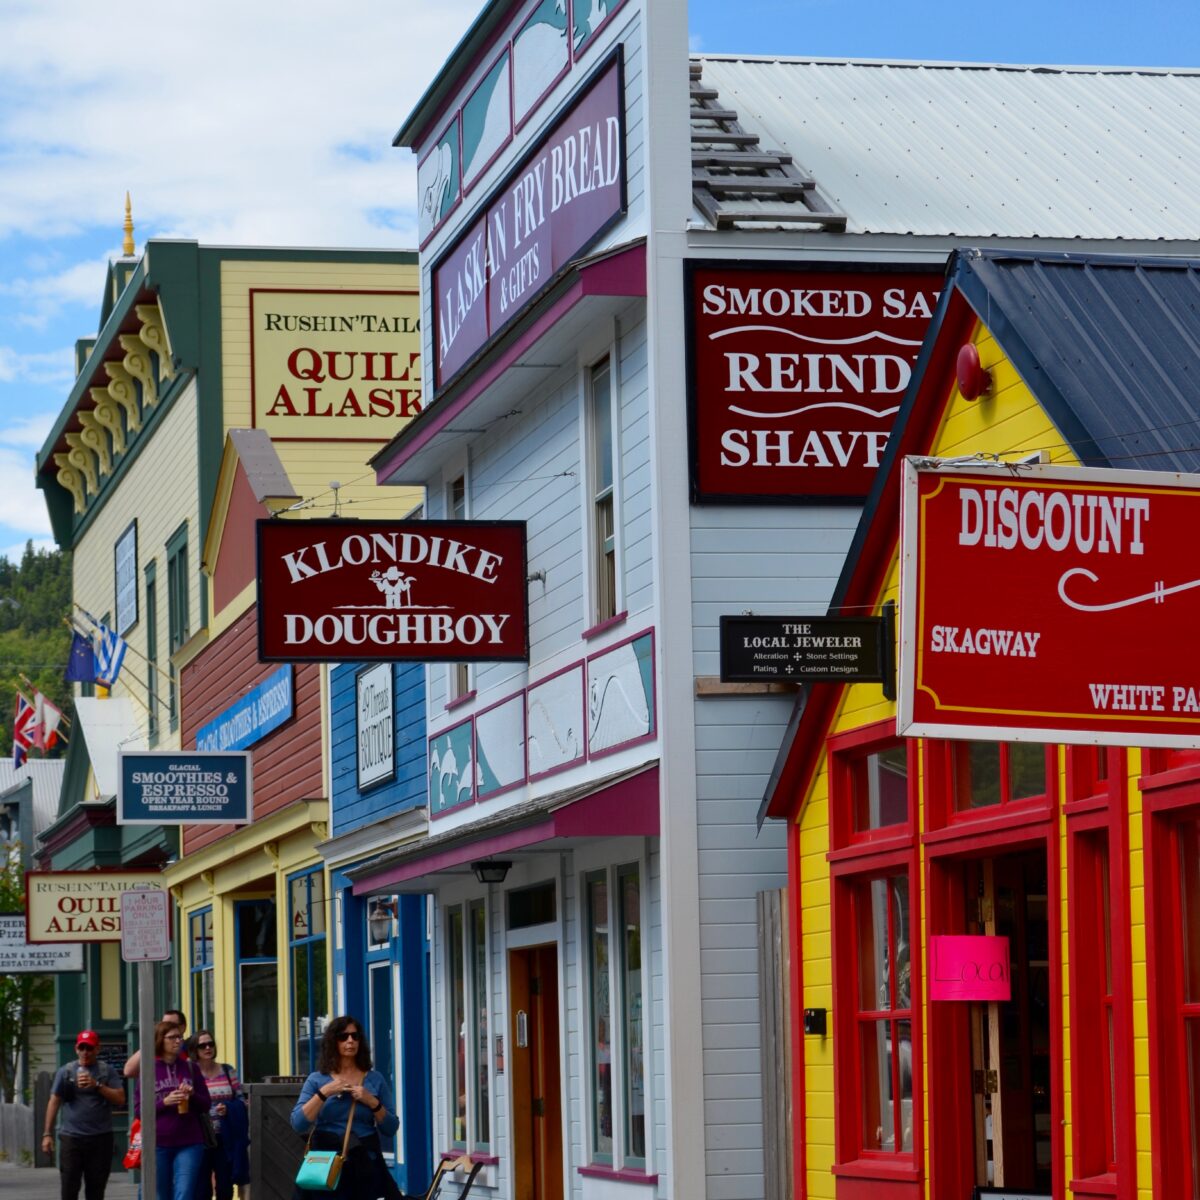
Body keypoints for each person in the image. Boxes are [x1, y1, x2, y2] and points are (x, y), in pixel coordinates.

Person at [290, 1016, 400, 1200]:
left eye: (355, 1036)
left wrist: (372, 1102)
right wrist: (324, 1093)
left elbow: (391, 1128)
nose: (350, 1041)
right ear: (333, 1041)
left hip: (364, 1162)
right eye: (344, 1036)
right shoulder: (317, 1079)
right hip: (326, 1164)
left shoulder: (375, 1079)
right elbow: (298, 1123)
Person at [42, 1029, 126, 1200]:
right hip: (72, 1138)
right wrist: (47, 1134)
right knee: (69, 1186)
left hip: (100, 1137)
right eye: (82, 1048)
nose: (85, 1052)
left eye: (89, 1048)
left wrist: (97, 1085)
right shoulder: (65, 1072)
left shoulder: (106, 1071)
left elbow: (120, 1098)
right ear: (76, 1049)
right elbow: (54, 1101)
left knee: (96, 1189)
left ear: (97, 1049)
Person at [135, 1020, 211, 1200]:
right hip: (158, 1143)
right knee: (161, 1195)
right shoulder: (148, 1070)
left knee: (184, 1194)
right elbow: (139, 1111)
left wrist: (192, 1095)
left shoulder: (191, 1067)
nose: (178, 1041)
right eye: (172, 1037)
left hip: (190, 1141)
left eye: (180, 1037)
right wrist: (165, 1102)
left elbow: (206, 1104)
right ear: (160, 1040)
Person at [191, 1030, 249, 1200]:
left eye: (211, 1044)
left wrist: (229, 1108)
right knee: (201, 1189)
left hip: (225, 1137)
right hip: (200, 1137)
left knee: (225, 1186)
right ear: (195, 1049)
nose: (208, 1047)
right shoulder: (191, 1073)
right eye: (202, 1045)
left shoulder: (227, 1070)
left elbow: (240, 1100)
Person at [125, 1008, 188, 1079]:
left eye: (171, 1024)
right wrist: (152, 1042)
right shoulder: (156, 1049)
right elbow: (128, 1071)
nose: (167, 1028)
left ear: (183, 1027)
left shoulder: (191, 1048)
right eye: (163, 1024)